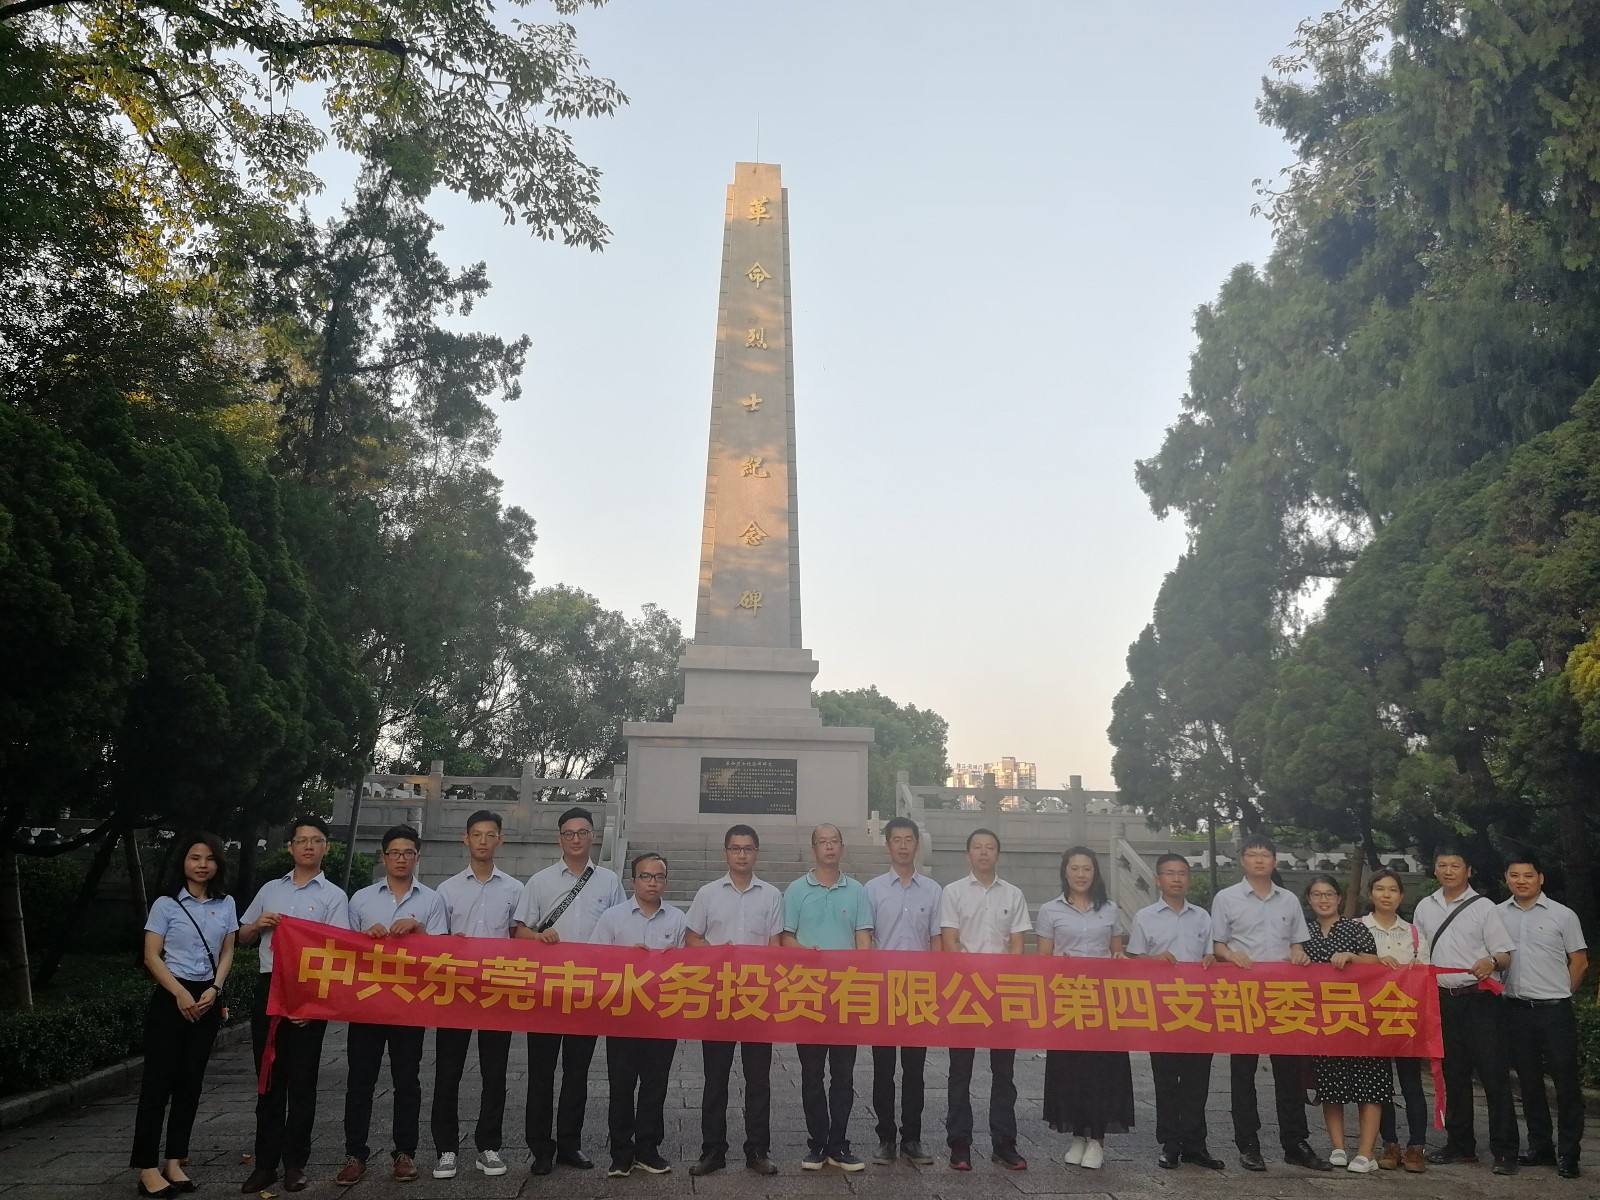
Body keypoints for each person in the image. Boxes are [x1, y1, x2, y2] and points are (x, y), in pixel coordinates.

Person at [239, 816, 351, 1194]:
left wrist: (314, 1004)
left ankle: (295, 1164)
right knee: (268, 1080)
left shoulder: (334, 896)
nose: (308, 846)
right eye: (301, 840)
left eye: (316, 840)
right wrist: (257, 926)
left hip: (309, 992)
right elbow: (242, 936)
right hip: (270, 988)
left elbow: (337, 954)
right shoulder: (270, 889)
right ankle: (265, 1164)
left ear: (326, 848)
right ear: (290, 847)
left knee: (303, 1084)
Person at [512, 806, 625, 1175]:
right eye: (568, 833)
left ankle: (570, 1146)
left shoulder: (609, 881)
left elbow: (620, 929)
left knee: (577, 1073)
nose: (576, 839)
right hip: (546, 991)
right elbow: (518, 931)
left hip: (587, 992)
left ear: (593, 835)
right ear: (559, 837)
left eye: (582, 832)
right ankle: (540, 1148)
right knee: (541, 1072)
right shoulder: (541, 881)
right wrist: (538, 935)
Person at [336, 824, 449, 1187]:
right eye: (394, 853)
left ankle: (405, 1153)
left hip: (408, 1004)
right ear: (383, 857)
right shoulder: (361, 899)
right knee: (360, 1081)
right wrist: (363, 938)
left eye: (408, 853)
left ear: (418, 857)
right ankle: (355, 1154)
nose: (401, 859)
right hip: (367, 1004)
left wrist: (419, 933)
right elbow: (343, 951)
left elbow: (442, 955)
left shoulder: (431, 901)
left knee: (407, 1080)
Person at [1210, 832, 1328, 1173]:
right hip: (1243, 995)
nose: (1259, 859)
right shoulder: (1226, 899)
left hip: (1282, 995)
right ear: (1242, 860)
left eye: (1265, 854)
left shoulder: (1288, 900)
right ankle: (1248, 1143)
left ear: (1274, 861)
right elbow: (1217, 945)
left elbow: (1297, 945)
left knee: (1288, 1072)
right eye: (1252, 854)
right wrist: (1231, 954)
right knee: (1242, 1072)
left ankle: (1295, 1142)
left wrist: (1299, 953)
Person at [131, 832, 238, 1198]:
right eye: (195, 857)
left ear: (218, 864)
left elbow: (227, 951)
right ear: (183, 862)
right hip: (170, 997)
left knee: (190, 1084)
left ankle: (174, 1161)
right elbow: (151, 955)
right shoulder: (165, 905)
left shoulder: (226, 904)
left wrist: (215, 989)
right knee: (157, 1084)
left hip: (207, 997)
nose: (202, 864)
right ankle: (146, 1167)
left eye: (209, 858)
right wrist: (178, 992)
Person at [684, 824, 784, 1178]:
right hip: (719, 997)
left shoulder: (771, 895)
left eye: (748, 848)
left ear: (757, 852)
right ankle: (713, 1150)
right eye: (735, 848)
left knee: (759, 1079)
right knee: (715, 1078)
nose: (741, 854)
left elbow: (775, 946)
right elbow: (691, 938)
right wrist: (718, 956)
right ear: (725, 852)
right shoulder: (708, 894)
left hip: (757, 998)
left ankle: (757, 1150)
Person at [430, 809, 524, 1180]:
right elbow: (435, 943)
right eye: (477, 835)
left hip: (497, 993)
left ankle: (489, 1146)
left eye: (490, 835)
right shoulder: (447, 890)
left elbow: (520, 939)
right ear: (465, 840)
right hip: (456, 993)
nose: (483, 841)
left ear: (500, 840)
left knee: (495, 1072)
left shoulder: (515, 889)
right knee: (448, 1073)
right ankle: (446, 1149)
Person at [1412, 845, 1516, 1174]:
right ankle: (1461, 1145)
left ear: (1467, 871)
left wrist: (1491, 961)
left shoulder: (1484, 907)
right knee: (1452, 1075)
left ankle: (1505, 1151)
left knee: (1493, 1075)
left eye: (1455, 865)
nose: (1448, 871)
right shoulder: (1424, 907)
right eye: (1442, 865)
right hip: (1442, 1000)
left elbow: (1505, 954)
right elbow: (1416, 951)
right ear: (1435, 869)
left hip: (1480, 1000)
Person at [782, 823, 874, 1172]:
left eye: (834, 841)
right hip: (809, 994)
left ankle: (839, 1143)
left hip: (846, 995)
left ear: (842, 847)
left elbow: (863, 937)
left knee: (844, 1074)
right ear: (813, 849)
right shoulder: (795, 890)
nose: (829, 847)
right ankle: (817, 1143)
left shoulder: (857, 891)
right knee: (811, 1073)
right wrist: (806, 952)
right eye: (822, 842)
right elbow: (785, 937)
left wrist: (863, 976)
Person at [939, 828, 1031, 1172]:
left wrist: (1006, 983)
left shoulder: (1014, 894)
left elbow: (1018, 945)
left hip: (1003, 993)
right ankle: (959, 1143)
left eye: (990, 847)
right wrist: (972, 983)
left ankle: (1005, 1143)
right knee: (959, 1071)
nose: (983, 852)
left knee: (1004, 1073)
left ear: (998, 854)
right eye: (977, 847)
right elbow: (950, 942)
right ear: (968, 855)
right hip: (965, 993)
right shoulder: (953, 893)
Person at [1037, 846, 1134, 1171]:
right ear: (1065, 872)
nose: (1081, 875)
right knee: (1070, 1069)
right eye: (1075, 868)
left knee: (1103, 1070)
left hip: (1104, 1001)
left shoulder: (1110, 910)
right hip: (1068, 1000)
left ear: (1095, 873)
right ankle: (1077, 1134)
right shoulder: (1051, 910)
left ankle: (1098, 1139)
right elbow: (1044, 958)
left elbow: (1116, 951)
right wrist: (1056, 965)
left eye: (1087, 869)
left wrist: (1120, 959)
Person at [592, 852, 688, 1177]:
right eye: (645, 876)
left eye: (658, 877)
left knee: (654, 1085)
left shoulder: (677, 919)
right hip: (622, 1015)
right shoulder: (612, 919)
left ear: (665, 881)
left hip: (662, 1017)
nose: (652, 882)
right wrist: (625, 960)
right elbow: (597, 963)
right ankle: (620, 1152)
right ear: (633, 881)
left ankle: (648, 1149)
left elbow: (687, 970)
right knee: (621, 1085)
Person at [1126, 853, 1222, 1172]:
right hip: (1162, 1009)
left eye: (1182, 873)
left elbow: (1211, 956)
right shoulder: (1145, 916)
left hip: (1198, 1008)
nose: (1177, 878)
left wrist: (1211, 961)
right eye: (1170, 873)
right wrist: (1153, 961)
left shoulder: (1202, 917)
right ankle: (1170, 1143)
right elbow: (1134, 962)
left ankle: (1196, 1145)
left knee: (1197, 1080)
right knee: (1166, 1079)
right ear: (1158, 879)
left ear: (1189, 879)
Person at [1499, 853, 1587, 1179]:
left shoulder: (1563, 916)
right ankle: (1540, 1147)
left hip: (1554, 1012)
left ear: (1541, 878)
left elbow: (1579, 961)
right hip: (1516, 1010)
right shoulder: (1496, 915)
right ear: (1506, 878)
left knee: (1566, 1084)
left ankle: (1569, 1153)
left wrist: (1562, 993)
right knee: (1529, 1083)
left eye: (1528, 875)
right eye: (1514, 875)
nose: (1521, 880)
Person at [864, 816, 941, 1167]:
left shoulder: (933, 890)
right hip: (884, 989)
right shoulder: (873, 889)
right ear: (887, 846)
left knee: (914, 1070)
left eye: (909, 839)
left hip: (919, 991)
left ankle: (912, 1137)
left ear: (916, 844)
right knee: (883, 1069)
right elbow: (866, 939)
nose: (904, 845)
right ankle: (885, 1138)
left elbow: (937, 942)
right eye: (897, 839)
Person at [1302, 874, 1388, 1174]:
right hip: (1323, 1023)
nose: (1323, 899)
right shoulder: (1304, 933)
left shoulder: (1356, 928)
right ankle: (1338, 1147)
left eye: (1329, 894)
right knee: (1330, 1086)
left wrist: (1352, 957)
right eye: (1316, 894)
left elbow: (1379, 965)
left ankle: (1366, 1153)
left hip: (1361, 1021)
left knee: (1370, 1086)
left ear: (1339, 898)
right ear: (1309, 899)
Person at [1360, 868, 1431, 1173]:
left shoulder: (1414, 933)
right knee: (1380, 1085)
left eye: (1392, 890)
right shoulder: (1358, 928)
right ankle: (1390, 1143)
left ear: (1402, 896)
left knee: (1412, 1084)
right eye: (1380, 889)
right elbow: (1345, 963)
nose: (1386, 895)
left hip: (1406, 1020)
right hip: (1370, 1019)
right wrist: (1373, 961)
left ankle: (1417, 1147)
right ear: (1370, 893)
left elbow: (1427, 974)